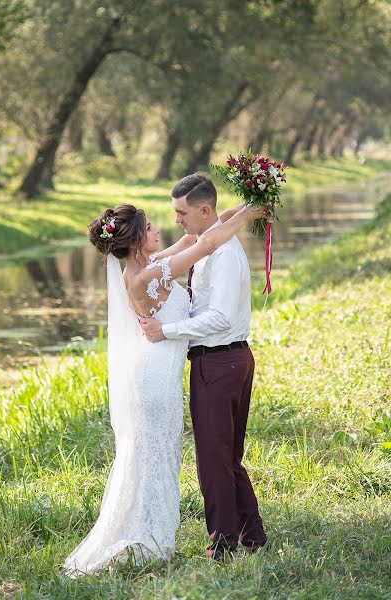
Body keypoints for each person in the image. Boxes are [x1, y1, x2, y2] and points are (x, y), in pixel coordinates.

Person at [62, 192, 267, 577]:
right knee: (152, 455)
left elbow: (198, 235)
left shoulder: (149, 264)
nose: (161, 228)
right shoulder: (149, 274)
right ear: (138, 241)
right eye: (151, 227)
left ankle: (152, 531)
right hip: (155, 376)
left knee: (157, 454)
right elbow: (205, 242)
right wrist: (249, 214)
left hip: (161, 370)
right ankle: (146, 536)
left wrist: (243, 207)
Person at [141, 172, 268, 560]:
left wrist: (167, 330)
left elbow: (220, 319)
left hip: (222, 361)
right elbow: (215, 228)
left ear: (204, 210)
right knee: (226, 457)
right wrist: (248, 207)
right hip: (221, 362)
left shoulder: (224, 254)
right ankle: (253, 536)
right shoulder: (207, 243)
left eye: (181, 212)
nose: (176, 219)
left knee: (214, 461)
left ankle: (223, 545)